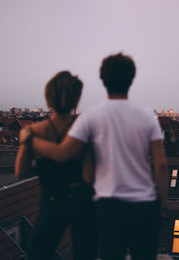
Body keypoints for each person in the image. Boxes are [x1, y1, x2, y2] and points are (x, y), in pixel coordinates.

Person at [20, 53, 168, 260]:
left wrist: (29, 140)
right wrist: (162, 203)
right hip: (144, 205)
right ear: (131, 79)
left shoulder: (91, 116)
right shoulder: (147, 116)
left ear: (103, 80)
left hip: (109, 205)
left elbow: (62, 153)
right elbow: (161, 166)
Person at [15, 71, 96, 260]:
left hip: (51, 199)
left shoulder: (34, 132)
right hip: (81, 201)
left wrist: (43, 167)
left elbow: (20, 172)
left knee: (39, 252)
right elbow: (89, 176)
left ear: (48, 99)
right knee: (86, 253)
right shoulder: (83, 132)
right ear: (76, 101)